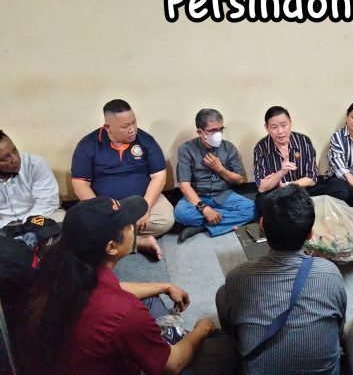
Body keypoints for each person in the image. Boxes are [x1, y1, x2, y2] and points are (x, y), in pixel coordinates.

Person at [15, 196, 237, 375]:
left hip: (70, 359)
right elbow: (171, 366)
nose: (134, 227)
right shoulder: (123, 311)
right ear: (112, 247)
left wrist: (164, 285)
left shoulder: (59, 269)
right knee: (223, 347)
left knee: (150, 297)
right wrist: (202, 329)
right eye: (128, 225)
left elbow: (111, 289)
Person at [216, 185, 346, 374]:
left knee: (223, 294)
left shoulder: (238, 277)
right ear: (310, 234)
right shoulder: (330, 273)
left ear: (262, 225)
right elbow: (338, 325)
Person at [71, 99, 174, 259]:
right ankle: (137, 242)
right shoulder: (87, 145)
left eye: (134, 122)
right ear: (107, 127)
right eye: (125, 126)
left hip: (142, 201)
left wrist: (145, 206)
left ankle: (115, 238)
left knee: (166, 219)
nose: (132, 129)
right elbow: (80, 184)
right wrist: (102, 210)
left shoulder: (145, 140)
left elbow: (159, 176)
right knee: (79, 226)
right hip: (106, 206)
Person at [174, 109, 255, 242]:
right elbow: (184, 185)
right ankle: (217, 219)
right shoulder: (186, 149)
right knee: (180, 214)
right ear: (200, 132)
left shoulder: (229, 147)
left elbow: (239, 179)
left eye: (220, 129)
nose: (218, 134)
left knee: (253, 209)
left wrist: (220, 169)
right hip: (198, 196)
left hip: (224, 195)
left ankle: (203, 226)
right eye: (212, 130)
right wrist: (204, 208)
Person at [253, 106, 348, 216]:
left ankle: (303, 213)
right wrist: (281, 172)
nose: (280, 131)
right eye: (274, 127)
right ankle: (298, 213)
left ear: (290, 123)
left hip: (303, 189)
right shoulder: (261, 148)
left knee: (340, 189)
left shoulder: (304, 141)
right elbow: (262, 187)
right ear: (267, 128)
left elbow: (312, 178)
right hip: (277, 193)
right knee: (261, 203)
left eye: (284, 125)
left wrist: (288, 185)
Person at [0, 130, 64, 229]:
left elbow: (47, 202)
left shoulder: (34, 163)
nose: (15, 159)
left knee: (65, 226)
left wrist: (26, 225)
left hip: (40, 215)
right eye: (5, 158)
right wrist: (7, 228)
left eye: (14, 150)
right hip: (3, 224)